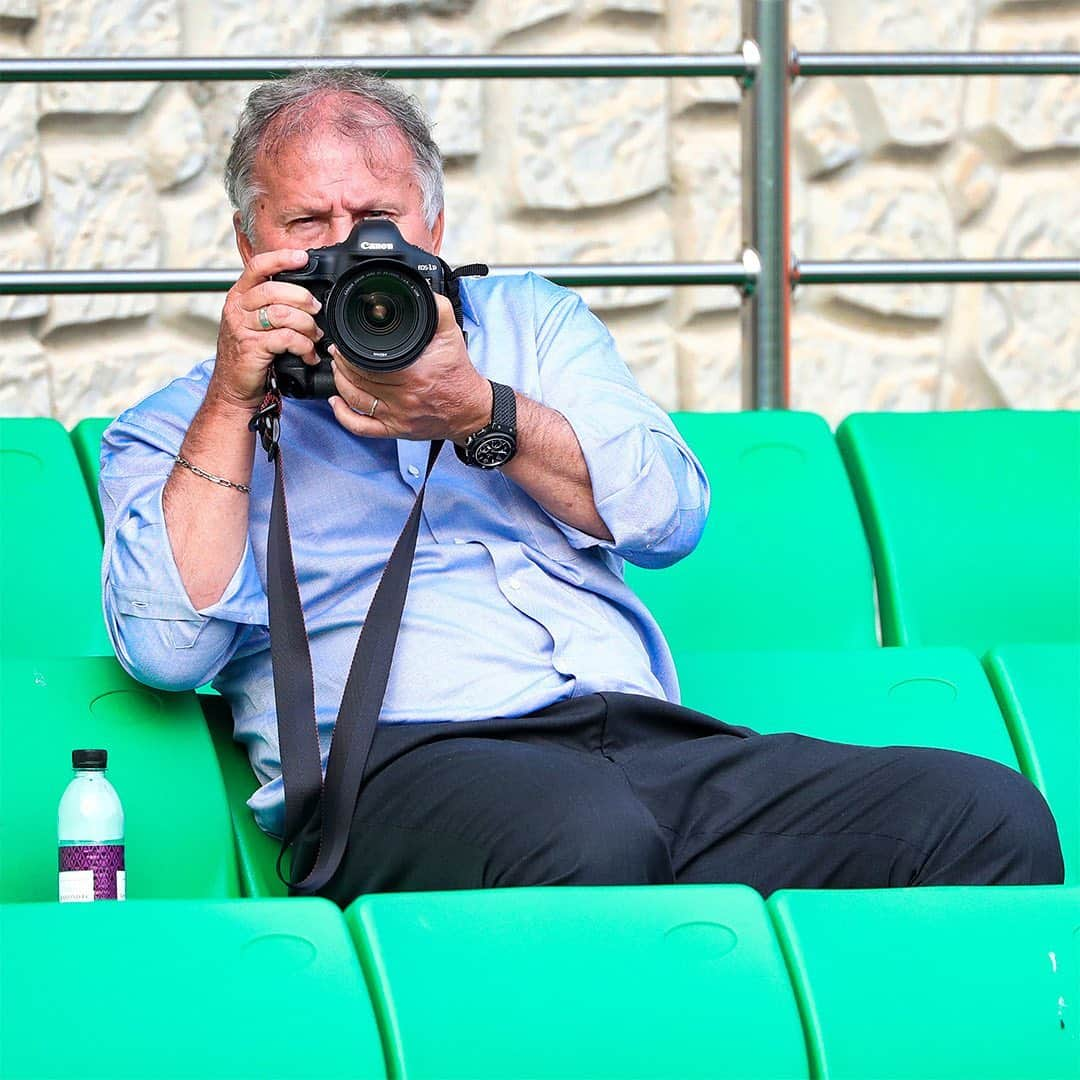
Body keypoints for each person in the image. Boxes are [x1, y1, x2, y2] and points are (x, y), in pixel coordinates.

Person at [100, 69, 1064, 905]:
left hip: (649, 750)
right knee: (587, 835)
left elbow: (669, 516)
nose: (348, 255)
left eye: (379, 222)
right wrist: (235, 396)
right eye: (308, 224)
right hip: (405, 774)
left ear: (433, 226)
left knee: (985, 818)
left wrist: (481, 411)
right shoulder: (179, 422)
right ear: (246, 243)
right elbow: (166, 649)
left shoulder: (529, 321)